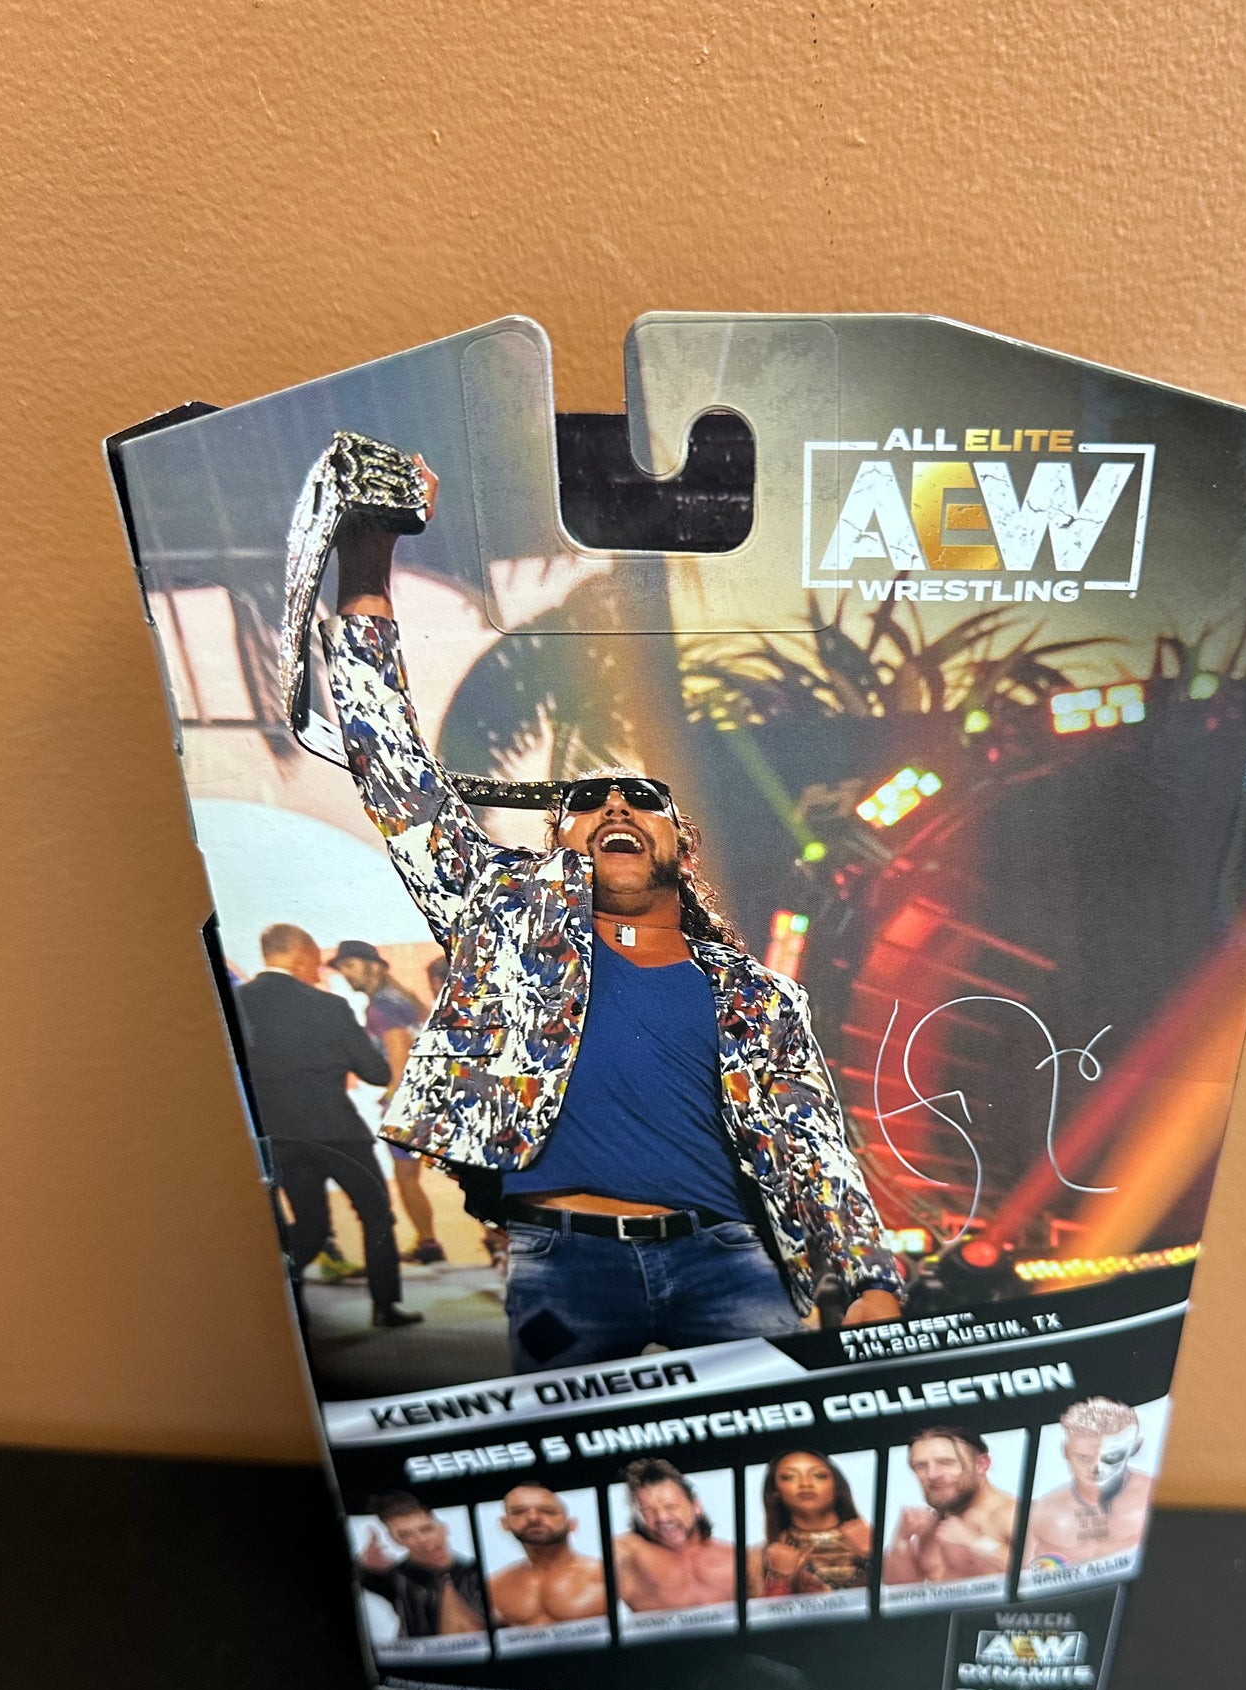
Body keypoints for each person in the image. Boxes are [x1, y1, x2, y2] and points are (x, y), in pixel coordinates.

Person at [298, 436, 904, 1371]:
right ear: (559, 842)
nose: (615, 805)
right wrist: (368, 558)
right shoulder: (503, 922)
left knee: (772, 1453)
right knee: (572, 1465)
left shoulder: (755, 996)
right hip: (566, 1268)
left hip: (730, 1264)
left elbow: (809, 1141)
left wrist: (865, 1276)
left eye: (642, 799)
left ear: (680, 846)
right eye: (587, 800)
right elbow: (395, 771)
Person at [234, 923, 422, 1329]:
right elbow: (374, 1073)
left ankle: (281, 1304)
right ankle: (385, 1307)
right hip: (338, 1133)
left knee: (312, 1226)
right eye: (316, 963)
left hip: (280, 1135)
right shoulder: (330, 1006)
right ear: (301, 954)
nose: (318, 972)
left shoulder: (236, 1004)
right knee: (375, 1213)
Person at [328, 939, 447, 1265]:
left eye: (350, 965)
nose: (345, 973)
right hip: (432, 1097)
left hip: (410, 1104)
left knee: (407, 1177)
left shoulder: (381, 1006)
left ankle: (429, 1244)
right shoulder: (401, 999)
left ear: (373, 966)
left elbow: (398, 1050)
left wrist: (394, 1096)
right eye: (342, 968)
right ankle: (442, 1242)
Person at [1023, 1398, 1154, 1569]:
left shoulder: (1152, 1496)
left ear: (1134, 1448)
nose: (1097, 1469)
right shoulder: (1040, 1512)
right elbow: (1023, 1575)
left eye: (1112, 1457)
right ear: (1066, 1451)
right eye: (1084, 1458)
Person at [880, 1428, 1017, 1585]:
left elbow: (1037, 1573)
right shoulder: (926, 1528)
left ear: (981, 1464)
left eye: (946, 1463)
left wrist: (977, 1542)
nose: (932, 1475)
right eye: (921, 1465)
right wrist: (901, 1539)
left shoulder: (1012, 1514)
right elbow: (896, 1589)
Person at [613, 1458, 736, 1612]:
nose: (662, 1518)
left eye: (670, 1506)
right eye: (648, 1511)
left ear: (696, 1506)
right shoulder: (631, 1556)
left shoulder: (733, 1557)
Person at [746, 1449, 872, 1598]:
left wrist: (872, 1555)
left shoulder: (870, 1538)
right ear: (775, 1492)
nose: (805, 1484)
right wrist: (779, 1580)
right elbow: (757, 1611)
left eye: (819, 1475)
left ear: (837, 1486)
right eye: (789, 1477)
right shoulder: (759, 1559)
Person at [357, 1493, 486, 1637]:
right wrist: (364, 1568)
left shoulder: (477, 1573)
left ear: (443, 1528)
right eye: (405, 1535)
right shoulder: (395, 1578)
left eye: (426, 1529)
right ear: (396, 1540)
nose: (421, 1540)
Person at [486, 1485, 608, 1627]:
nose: (532, 1518)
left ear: (572, 1524)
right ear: (504, 1523)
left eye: (547, 1511)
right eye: (519, 1512)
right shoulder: (493, 1587)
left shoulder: (606, 1574)